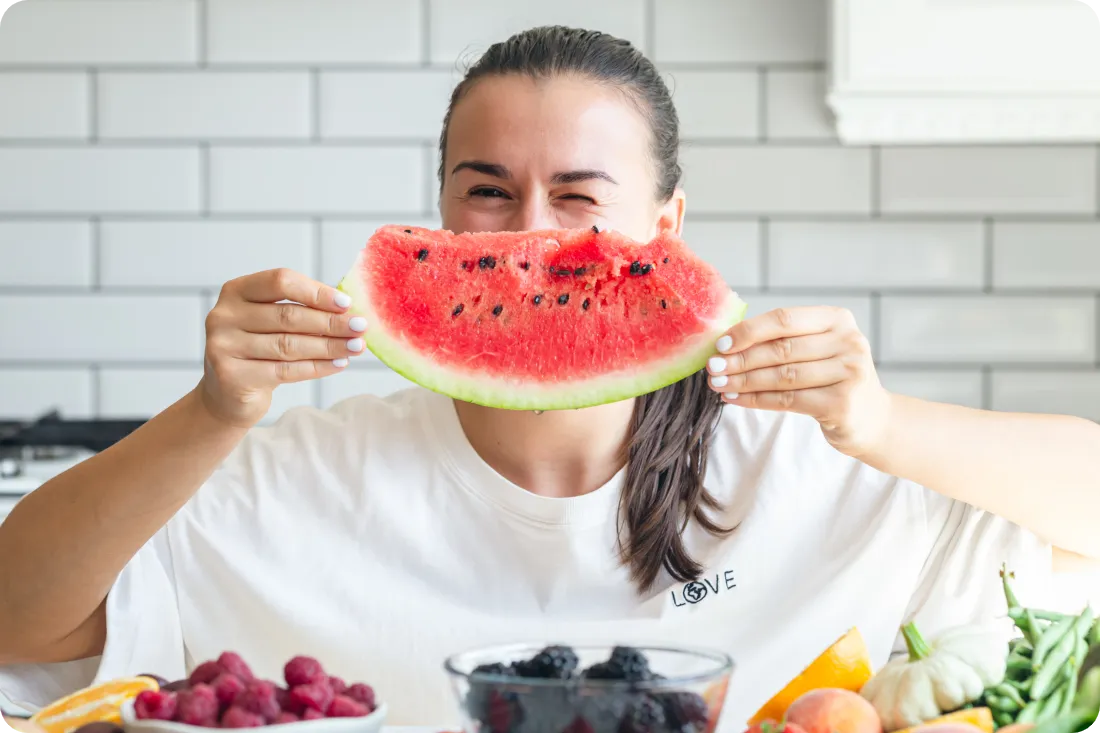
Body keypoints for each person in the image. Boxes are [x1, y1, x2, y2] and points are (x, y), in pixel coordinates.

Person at [1, 25, 1098, 731]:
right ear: (437, 216)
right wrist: (209, 413)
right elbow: (18, 624)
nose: (530, 235)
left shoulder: (809, 472)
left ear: (666, 226)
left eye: (579, 196)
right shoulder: (295, 477)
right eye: (487, 192)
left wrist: (881, 419)